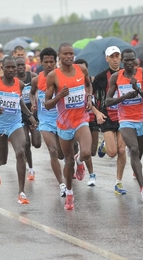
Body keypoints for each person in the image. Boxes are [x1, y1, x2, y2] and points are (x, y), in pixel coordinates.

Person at [0, 56, 37, 204]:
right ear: (2, 68)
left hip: (15, 123)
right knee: (3, 159)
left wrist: (29, 115)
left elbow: (19, 101)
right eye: (8, 67)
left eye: (14, 67)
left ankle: (21, 192)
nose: (12, 70)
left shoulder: (20, 84)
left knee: (20, 151)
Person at [45, 43, 93, 210]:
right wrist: (60, 96)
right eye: (65, 54)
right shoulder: (53, 76)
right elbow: (47, 104)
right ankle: (70, 194)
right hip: (64, 124)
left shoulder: (82, 69)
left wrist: (88, 98)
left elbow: (88, 85)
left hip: (81, 119)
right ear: (59, 56)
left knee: (86, 152)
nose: (69, 56)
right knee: (68, 161)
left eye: (71, 53)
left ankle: (81, 161)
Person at [105, 48, 143, 203]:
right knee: (133, 150)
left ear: (135, 60)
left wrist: (138, 90)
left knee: (137, 154)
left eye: (132, 59)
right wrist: (124, 96)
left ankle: (135, 165)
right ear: (122, 61)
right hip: (125, 120)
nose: (129, 62)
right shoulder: (115, 77)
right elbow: (108, 101)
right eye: (126, 60)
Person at [29, 47, 67, 196]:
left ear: (56, 61)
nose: (50, 65)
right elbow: (32, 93)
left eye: (52, 62)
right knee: (53, 151)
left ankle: (76, 160)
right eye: (47, 62)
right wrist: (33, 103)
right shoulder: (36, 80)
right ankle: (62, 185)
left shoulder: (61, 77)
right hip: (45, 121)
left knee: (63, 154)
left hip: (62, 119)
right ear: (41, 62)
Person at [94, 46, 128, 194]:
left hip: (124, 116)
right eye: (112, 57)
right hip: (107, 116)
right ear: (106, 58)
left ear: (120, 58)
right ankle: (105, 145)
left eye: (117, 56)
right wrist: (96, 113)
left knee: (121, 150)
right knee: (112, 152)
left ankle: (118, 182)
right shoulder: (101, 77)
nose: (115, 59)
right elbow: (88, 97)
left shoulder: (126, 74)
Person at [73, 58, 101, 187]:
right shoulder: (73, 83)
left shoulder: (94, 82)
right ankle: (91, 175)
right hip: (80, 120)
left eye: (83, 68)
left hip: (93, 119)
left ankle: (79, 158)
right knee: (87, 150)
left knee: (93, 151)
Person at [15, 56, 40, 180]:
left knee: (37, 143)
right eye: (18, 65)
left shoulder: (33, 76)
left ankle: (29, 167)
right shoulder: (13, 80)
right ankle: (30, 169)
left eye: (22, 65)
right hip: (20, 115)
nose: (20, 67)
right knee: (26, 144)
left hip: (33, 112)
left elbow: (39, 91)